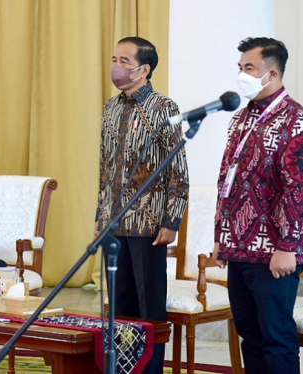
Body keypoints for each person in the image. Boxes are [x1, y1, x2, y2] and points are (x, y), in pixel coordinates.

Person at [211, 37, 303, 374]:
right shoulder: (242, 118)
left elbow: (297, 190)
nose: (241, 74)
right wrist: (221, 236)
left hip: (276, 251)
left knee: (276, 337)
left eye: (249, 68)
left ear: (271, 74)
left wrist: (288, 246)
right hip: (238, 247)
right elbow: (227, 181)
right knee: (250, 335)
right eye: (240, 67)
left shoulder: (296, 120)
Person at [94, 37, 189, 373]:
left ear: (143, 69)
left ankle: (151, 370)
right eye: (113, 59)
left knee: (148, 307)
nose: (115, 67)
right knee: (119, 306)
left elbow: (179, 170)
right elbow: (106, 167)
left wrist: (171, 222)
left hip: (149, 224)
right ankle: (121, 367)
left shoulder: (164, 108)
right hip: (114, 223)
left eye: (123, 60)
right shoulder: (111, 108)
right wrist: (100, 215)